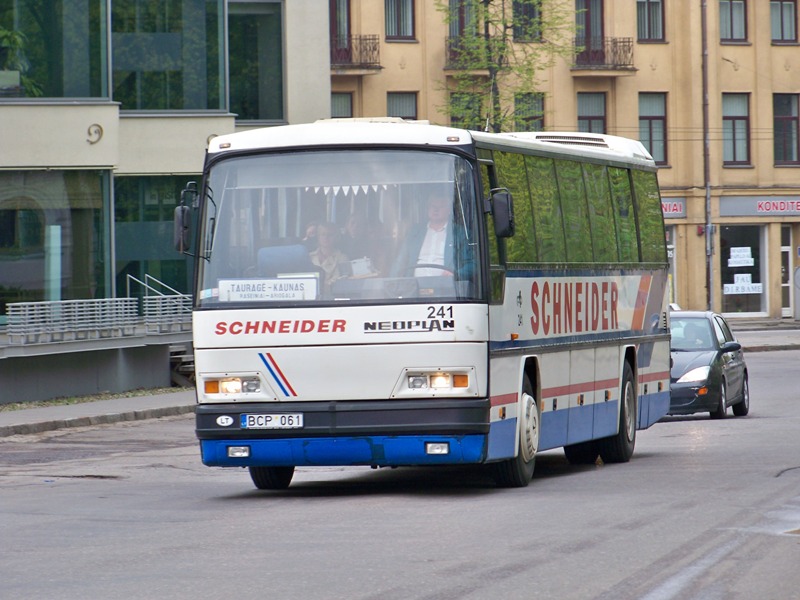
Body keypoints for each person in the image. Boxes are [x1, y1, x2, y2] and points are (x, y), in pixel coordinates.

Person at [391, 189, 467, 278]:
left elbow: (472, 263)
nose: (436, 209)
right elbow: (400, 261)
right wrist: (391, 283)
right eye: (432, 206)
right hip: (413, 287)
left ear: (449, 210)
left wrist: (456, 273)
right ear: (427, 209)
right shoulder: (414, 232)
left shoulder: (459, 233)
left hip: (447, 288)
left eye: (441, 206)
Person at [309, 221, 350, 291]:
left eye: (330, 235)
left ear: (336, 237)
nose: (326, 237)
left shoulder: (342, 258)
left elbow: (339, 281)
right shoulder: (309, 257)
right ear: (318, 237)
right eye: (323, 234)